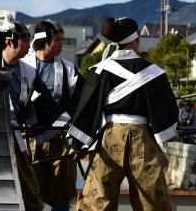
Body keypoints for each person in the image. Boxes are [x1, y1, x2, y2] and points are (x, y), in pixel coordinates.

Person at [67, 17, 179, 211]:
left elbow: (87, 108)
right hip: (143, 138)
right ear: (135, 41)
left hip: (111, 137)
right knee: (152, 198)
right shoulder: (154, 72)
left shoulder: (100, 70)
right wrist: (169, 132)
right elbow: (166, 108)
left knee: (98, 195)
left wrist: (76, 144)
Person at [22, 19, 85, 211]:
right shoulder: (23, 66)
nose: (60, 45)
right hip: (27, 137)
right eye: (57, 40)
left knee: (62, 190)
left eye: (62, 40)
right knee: (29, 190)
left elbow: (81, 102)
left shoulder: (68, 69)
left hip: (60, 138)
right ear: (43, 41)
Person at [2, 21, 44, 211]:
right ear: (10, 42)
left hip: (16, 134)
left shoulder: (29, 72)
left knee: (30, 191)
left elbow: (48, 105)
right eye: (26, 39)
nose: (29, 44)